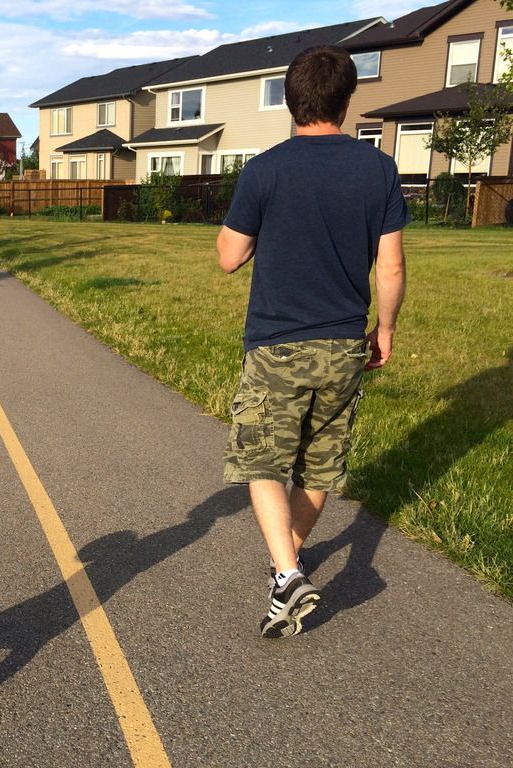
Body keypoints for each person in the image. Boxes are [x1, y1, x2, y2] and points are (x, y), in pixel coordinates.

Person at [216, 45, 408, 639]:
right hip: (345, 344)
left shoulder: (266, 170)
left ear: (289, 100)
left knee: (263, 461)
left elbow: (228, 258)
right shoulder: (378, 169)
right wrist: (386, 329)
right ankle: (288, 566)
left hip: (277, 342)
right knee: (320, 464)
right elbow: (392, 267)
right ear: (347, 101)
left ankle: (286, 571)